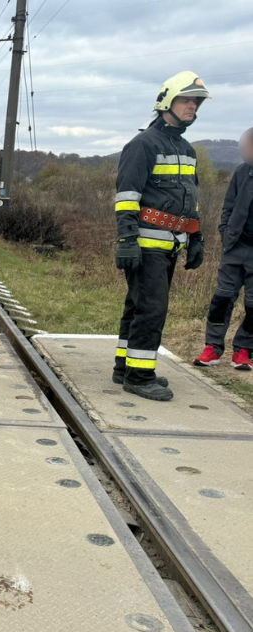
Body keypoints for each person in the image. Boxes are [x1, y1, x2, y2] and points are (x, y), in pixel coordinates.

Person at [112, 71, 210, 401]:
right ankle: (140, 377)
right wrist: (126, 241)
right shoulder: (142, 145)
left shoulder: (187, 149)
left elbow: (191, 198)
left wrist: (196, 238)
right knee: (152, 309)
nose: (192, 107)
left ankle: (124, 367)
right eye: (186, 100)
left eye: (196, 102)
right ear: (166, 101)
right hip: (144, 244)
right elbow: (127, 196)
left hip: (171, 245)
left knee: (138, 305)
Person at [193, 128, 253, 372]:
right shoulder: (242, 172)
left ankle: (243, 350)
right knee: (222, 299)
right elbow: (228, 206)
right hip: (235, 247)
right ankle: (213, 348)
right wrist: (225, 234)